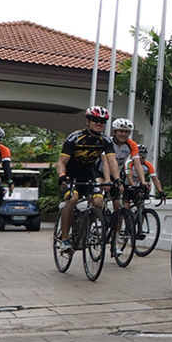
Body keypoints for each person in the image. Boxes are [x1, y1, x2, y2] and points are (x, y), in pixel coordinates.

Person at [55, 106, 118, 252]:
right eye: (95, 120)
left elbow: (111, 161)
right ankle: (65, 239)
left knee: (98, 202)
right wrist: (62, 176)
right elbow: (61, 162)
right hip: (71, 176)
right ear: (88, 121)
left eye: (102, 121)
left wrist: (116, 179)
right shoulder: (75, 138)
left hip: (88, 176)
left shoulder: (105, 141)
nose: (99, 123)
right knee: (72, 199)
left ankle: (82, 228)